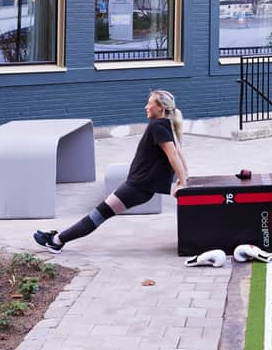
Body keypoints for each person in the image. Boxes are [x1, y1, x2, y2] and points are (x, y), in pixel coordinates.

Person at [33, 89, 188, 252]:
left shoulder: (158, 126)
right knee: (100, 214)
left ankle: (56, 241)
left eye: (149, 103)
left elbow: (173, 156)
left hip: (137, 187)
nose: (145, 106)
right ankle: (58, 239)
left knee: (97, 215)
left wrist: (183, 182)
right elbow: (178, 153)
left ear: (160, 108)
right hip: (139, 187)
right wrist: (185, 178)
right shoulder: (165, 125)